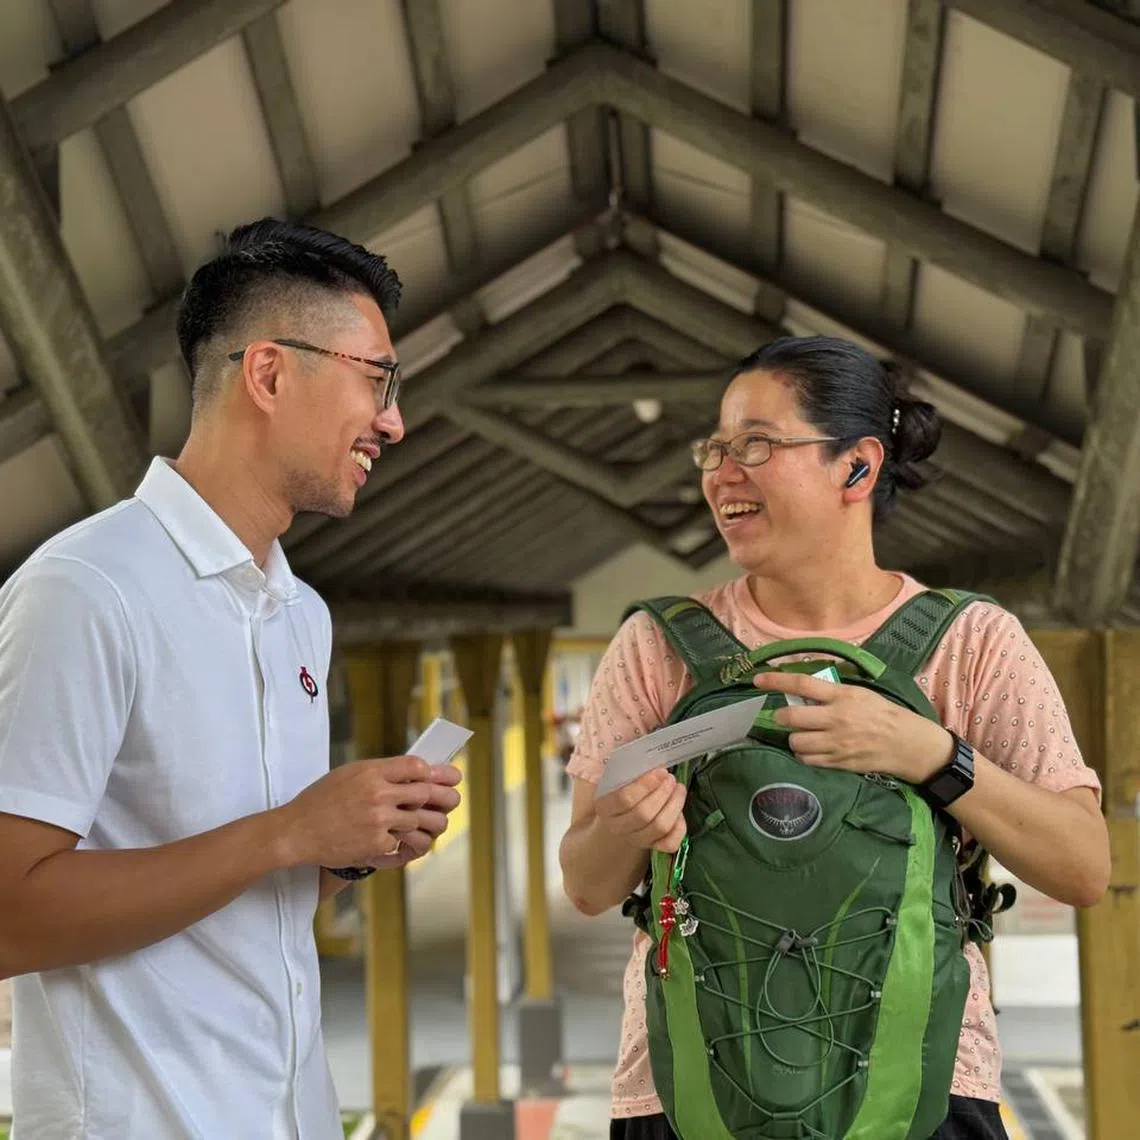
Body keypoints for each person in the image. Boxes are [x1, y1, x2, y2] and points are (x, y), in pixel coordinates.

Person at [558, 336, 1110, 1140]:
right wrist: (624, 825)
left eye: (755, 444)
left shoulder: (973, 642)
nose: (721, 472)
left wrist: (929, 753)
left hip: (924, 1090)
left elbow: (1084, 865)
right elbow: (585, 883)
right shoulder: (657, 647)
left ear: (857, 466)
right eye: (714, 448)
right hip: (687, 1092)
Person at [0, 218, 463, 1140]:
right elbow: (10, 915)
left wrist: (345, 848)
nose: (394, 421)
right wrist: (290, 830)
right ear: (268, 373)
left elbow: (248, 887)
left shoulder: (300, 612)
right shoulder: (85, 589)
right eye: (377, 379)